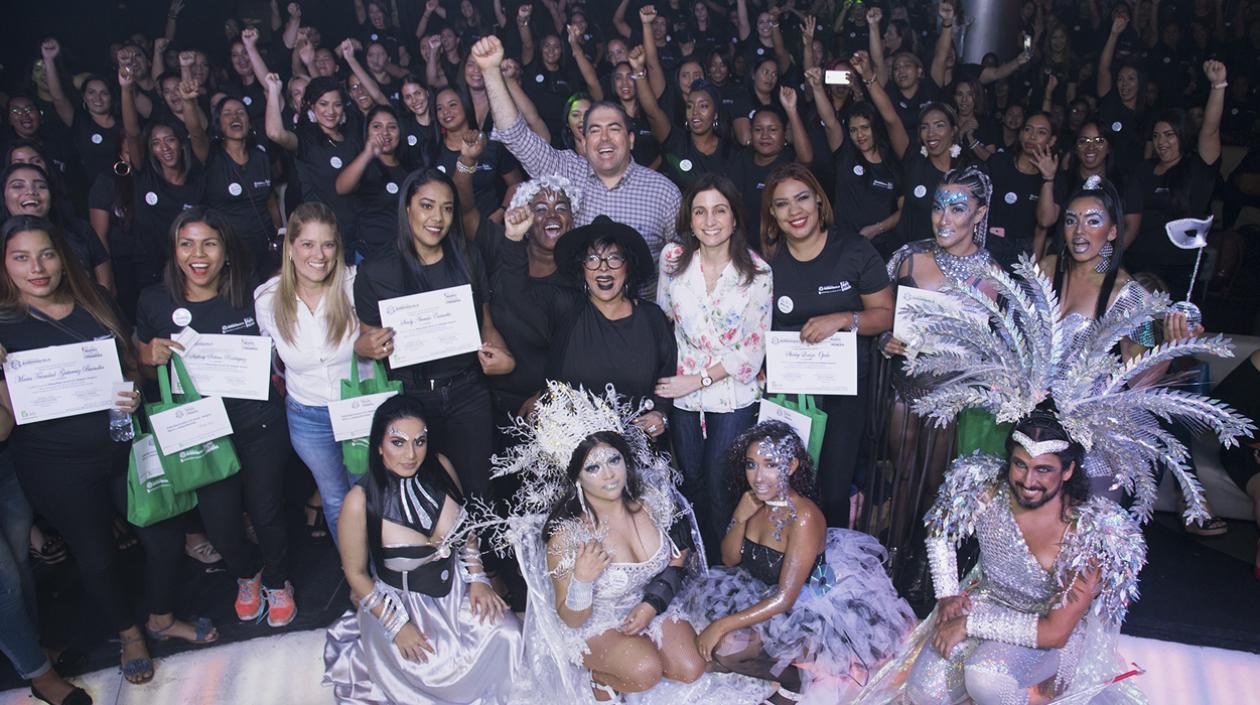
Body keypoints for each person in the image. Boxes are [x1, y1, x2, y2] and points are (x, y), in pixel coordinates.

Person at [853, 254, 1252, 705]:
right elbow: (940, 531)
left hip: (1048, 630)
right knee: (924, 691)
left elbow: (1054, 629)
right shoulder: (983, 485)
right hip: (990, 598)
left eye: (1043, 469)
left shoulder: (1093, 532)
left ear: (1067, 471)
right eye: (1020, 465)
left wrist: (969, 623)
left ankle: (1046, 679)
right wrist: (948, 598)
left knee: (988, 678)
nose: (1028, 480)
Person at [0, 216, 214, 688]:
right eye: (21, 257)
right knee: (96, 557)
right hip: (55, 468)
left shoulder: (93, 302)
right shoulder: (3, 326)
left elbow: (129, 368)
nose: (37, 268)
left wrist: (132, 390)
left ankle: (160, 617)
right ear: (5, 265)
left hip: (123, 449)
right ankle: (129, 634)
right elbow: (4, 426)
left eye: (46, 254)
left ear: (62, 258)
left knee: (164, 536)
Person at [490, 383, 723, 703]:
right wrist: (582, 580)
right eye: (593, 467)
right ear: (576, 477)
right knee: (645, 670)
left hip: (647, 601)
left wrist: (651, 604)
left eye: (614, 460)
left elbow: (680, 554)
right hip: (595, 619)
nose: (609, 474)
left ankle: (635, 652)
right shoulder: (567, 536)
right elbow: (569, 617)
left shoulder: (652, 500)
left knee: (691, 667)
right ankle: (599, 679)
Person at [134, 208, 297, 628]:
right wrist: (147, 357)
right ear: (174, 251)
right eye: (186, 244)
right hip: (200, 432)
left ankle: (277, 580)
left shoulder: (252, 295)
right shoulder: (154, 301)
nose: (198, 255)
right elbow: (142, 370)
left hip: (258, 421)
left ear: (226, 251)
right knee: (221, 525)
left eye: (209, 243)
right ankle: (247, 572)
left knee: (266, 511)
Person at [682, 421, 915, 705]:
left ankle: (794, 680)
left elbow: (785, 598)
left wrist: (722, 625)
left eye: (770, 465)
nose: (758, 477)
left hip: (805, 606)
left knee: (727, 648)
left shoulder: (804, 517)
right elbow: (731, 560)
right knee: (706, 630)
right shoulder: (753, 501)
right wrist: (740, 518)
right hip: (761, 590)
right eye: (751, 465)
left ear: (791, 466)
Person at [323, 394, 522, 705]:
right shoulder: (359, 501)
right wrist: (397, 626)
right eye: (398, 442)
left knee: (509, 635)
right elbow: (356, 574)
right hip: (401, 607)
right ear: (379, 446)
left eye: (420, 441)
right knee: (437, 671)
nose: (411, 454)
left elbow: (464, 530)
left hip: (456, 592)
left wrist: (478, 579)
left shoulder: (441, 466)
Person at [353, 169, 513, 505]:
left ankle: (480, 541)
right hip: (411, 397)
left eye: (447, 208)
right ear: (407, 208)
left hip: (467, 391)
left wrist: (503, 356)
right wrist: (364, 347)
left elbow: (486, 324)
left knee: (480, 491)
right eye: (427, 205)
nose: (437, 218)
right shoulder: (375, 270)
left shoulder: (468, 256)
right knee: (425, 495)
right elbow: (366, 340)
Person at [476, 36, 680, 295]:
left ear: (630, 139)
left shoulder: (664, 193)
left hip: (641, 313)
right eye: (594, 130)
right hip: (577, 312)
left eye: (613, 129)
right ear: (584, 139)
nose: (604, 138)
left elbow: (683, 265)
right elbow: (515, 135)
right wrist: (491, 72)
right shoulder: (566, 172)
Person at [760, 163, 893, 529]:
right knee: (785, 484)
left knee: (833, 490)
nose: (795, 211)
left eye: (802, 198)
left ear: (819, 200)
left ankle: (829, 558)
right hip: (787, 392)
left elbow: (885, 314)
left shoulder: (854, 250)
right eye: (783, 204)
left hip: (843, 392)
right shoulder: (767, 262)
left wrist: (843, 319)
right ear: (773, 213)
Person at [655, 175, 771, 555]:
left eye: (719, 211)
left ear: (735, 218)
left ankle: (726, 567)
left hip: (732, 393)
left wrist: (698, 379)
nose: (709, 221)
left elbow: (752, 350)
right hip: (682, 394)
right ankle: (699, 561)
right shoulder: (673, 259)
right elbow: (664, 319)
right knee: (691, 479)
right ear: (689, 220)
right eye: (700, 212)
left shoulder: (758, 272)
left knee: (723, 484)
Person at [255, 202, 359, 544]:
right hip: (308, 417)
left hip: (358, 409)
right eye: (308, 244)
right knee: (335, 499)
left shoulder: (355, 285)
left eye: (328, 244)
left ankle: (382, 571)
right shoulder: (267, 300)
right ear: (290, 248)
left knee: (367, 495)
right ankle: (356, 573)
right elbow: (269, 360)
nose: (319, 255)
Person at [1124, 61, 1228, 300]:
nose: (1161, 142)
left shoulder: (1196, 168)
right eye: (1156, 136)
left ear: (1183, 135)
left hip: (1178, 271)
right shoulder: (1144, 170)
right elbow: (1130, 217)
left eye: (1169, 135)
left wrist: (1218, 85)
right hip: (1138, 267)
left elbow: (1210, 129)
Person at [118, 65, 205, 287]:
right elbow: (133, 133)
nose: (164, 147)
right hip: (150, 268)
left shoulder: (195, 176)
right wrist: (126, 89)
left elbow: (196, 133)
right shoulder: (144, 173)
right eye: (156, 143)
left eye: (170, 140)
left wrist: (189, 102)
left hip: (189, 266)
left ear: (180, 143)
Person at [264, 73, 363, 256]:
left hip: (356, 232)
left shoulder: (351, 140)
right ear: (312, 106)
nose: (331, 111)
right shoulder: (305, 140)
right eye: (323, 104)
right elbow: (275, 133)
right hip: (322, 234)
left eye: (337, 104)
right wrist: (273, 91)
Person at [824, 53, 908, 260]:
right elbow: (830, 121)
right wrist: (818, 87)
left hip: (880, 250)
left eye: (864, 128)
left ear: (875, 127)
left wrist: (877, 229)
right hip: (842, 247)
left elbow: (904, 210)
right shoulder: (846, 154)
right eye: (853, 130)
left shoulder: (892, 162)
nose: (859, 135)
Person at [2, 163, 112, 291]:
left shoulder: (80, 230)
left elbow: (106, 286)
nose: (31, 192)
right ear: (3, 195)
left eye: (41, 186)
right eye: (18, 186)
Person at [335, 105, 410, 258]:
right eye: (377, 126)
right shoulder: (362, 165)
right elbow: (341, 188)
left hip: (404, 254)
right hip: (369, 255)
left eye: (392, 127)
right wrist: (368, 153)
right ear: (367, 131)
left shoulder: (409, 169)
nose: (385, 133)